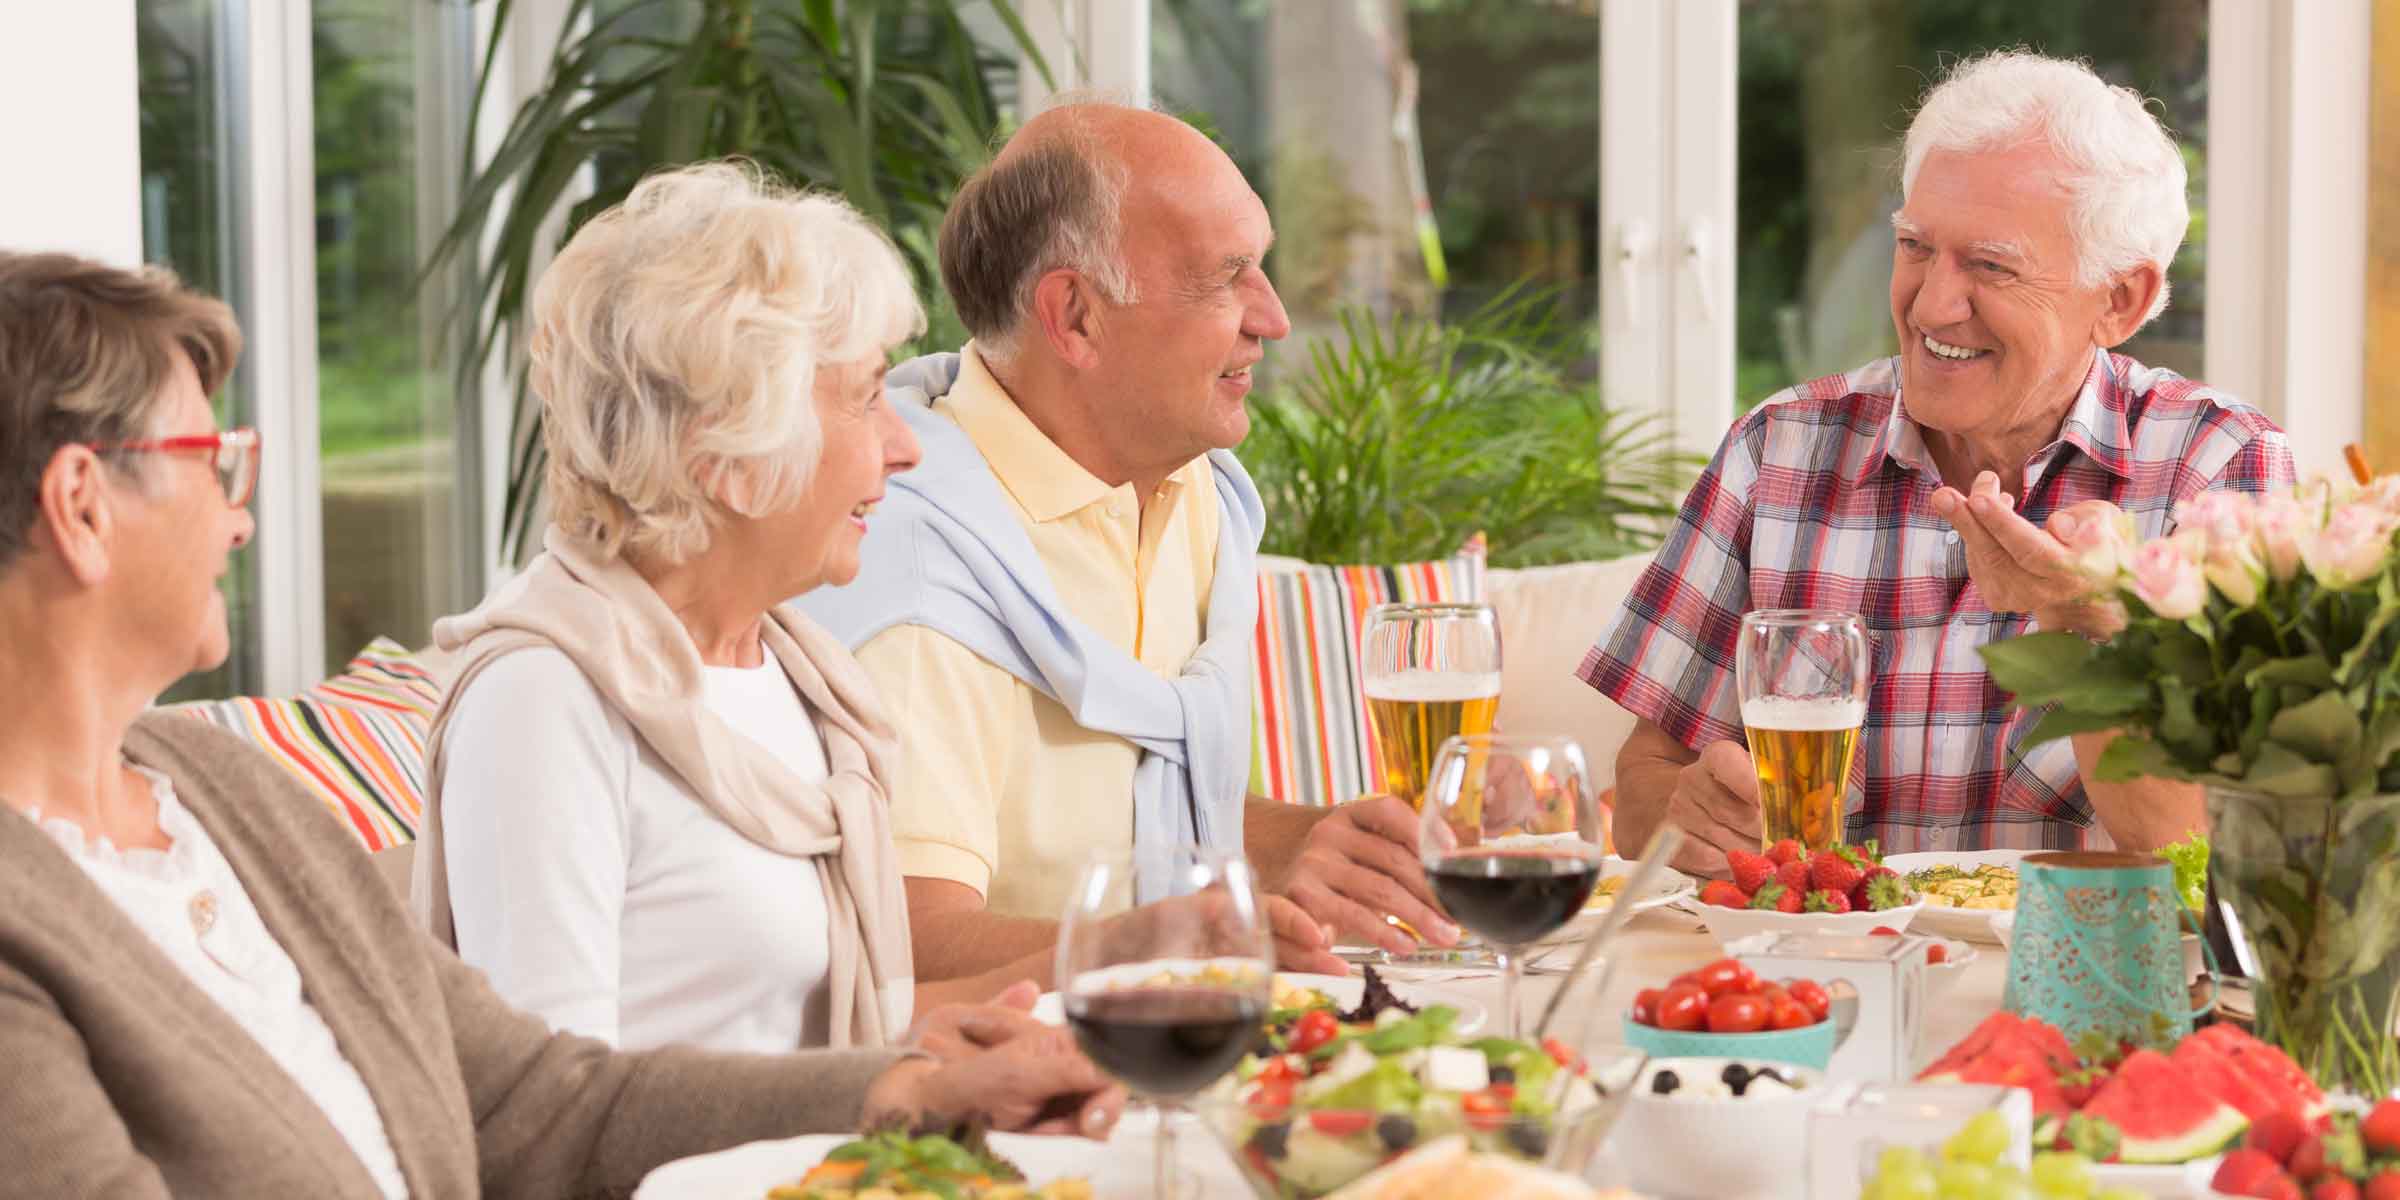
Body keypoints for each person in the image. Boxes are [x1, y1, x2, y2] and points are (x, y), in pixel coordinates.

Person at [0, 250, 1121, 1197]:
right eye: (210, 462)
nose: (238, 514)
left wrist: (911, 1091)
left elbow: (534, 1094)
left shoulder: (221, 790)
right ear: (83, 506)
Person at [1580, 52, 2295, 877]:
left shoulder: (2217, 472)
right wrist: (1685, 815)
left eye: (1990, 266)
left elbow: (2203, 860)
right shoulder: (1778, 450)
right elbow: (1641, 791)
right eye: (1916, 246)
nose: (1929, 304)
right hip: (1816, 988)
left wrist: (2088, 621)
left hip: (2077, 990)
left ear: (2120, 300)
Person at [798, 98, 1454, 984]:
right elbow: (907, 949)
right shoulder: (914, 562)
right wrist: (1176, 945)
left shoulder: (1190, 492)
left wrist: (1304, 843)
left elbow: (1133, 794)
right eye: (1227, 278)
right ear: (1074, 317)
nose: (1272, 316)